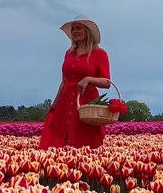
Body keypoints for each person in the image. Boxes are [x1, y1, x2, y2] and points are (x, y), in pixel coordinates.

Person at [39, 15, 111, 149]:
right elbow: (64, 81)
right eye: (73, 29)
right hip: (65, 102)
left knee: (86, 139)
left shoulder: (99, 54)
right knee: (61, 140)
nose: (75, 32)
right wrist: (55, 103)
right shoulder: (69, 53)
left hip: (86, 103)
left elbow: (107, 82)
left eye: (79, 28)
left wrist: (88, 79)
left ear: (88, 31)